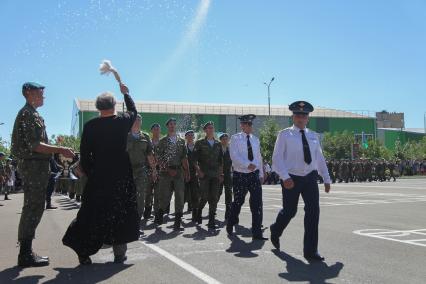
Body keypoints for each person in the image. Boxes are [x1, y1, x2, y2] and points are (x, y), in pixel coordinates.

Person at [62, 83, 139, 265]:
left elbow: (85, 154)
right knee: (121, 212)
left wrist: (92, 173)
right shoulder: (122, 122)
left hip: (98, 179)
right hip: (121, 177)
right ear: (113, 105)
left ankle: (83, 251)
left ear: (98, 107)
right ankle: (119, 254)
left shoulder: (90, 126)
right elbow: (133, 111)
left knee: (92, 213)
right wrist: (126, 93)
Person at [11, 82, 75, 267]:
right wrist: (61, 149)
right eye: (40, 92)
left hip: (37, 167)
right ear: (29, 93)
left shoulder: (32, 114)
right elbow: (35, 145)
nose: (43, 96)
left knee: (34, 208)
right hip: (33, 167)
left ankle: (26, 251)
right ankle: (25, 254)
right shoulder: (28, 114)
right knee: (32, 208)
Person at [270, 101, 331, 262]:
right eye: (297, 115)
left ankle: (311, 251)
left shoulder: (313, 136)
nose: (300, 118)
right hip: (291, 177)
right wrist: (285, 177)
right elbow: (276, 158)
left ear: (308, 118)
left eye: (304, 116)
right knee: (290, 211)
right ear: (293, 117)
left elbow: (319, 158)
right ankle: (275, 229)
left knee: (313, 212)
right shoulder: (284, 134)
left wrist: (326, 178)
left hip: (310, 177)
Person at [226, 114, 267, 240]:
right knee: (238, 201)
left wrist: (260, 173)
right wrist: (246, 164)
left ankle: (257, 232)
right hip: (240, 175)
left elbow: (258, 157)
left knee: (257, 203)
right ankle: (231, 222)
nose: (250, 126)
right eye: (247, 124)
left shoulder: (255, 139)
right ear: (242, 125)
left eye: (251, 124)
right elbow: (233, 156)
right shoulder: (235, 138)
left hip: (253, 175)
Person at [156, 118, 190, 230]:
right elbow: (158, 158)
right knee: (165, 196)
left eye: (174, 124)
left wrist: (187, 172)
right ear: (167, 126)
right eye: (170, 124)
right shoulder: (162, 141)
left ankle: (177, 222)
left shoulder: (181, 142)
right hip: (166, 173)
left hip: (179, 172)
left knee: (180, 196)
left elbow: (184, 158)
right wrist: (167, 169)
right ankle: (160, 214)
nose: (172, 126)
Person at [127, 115, 157, 230]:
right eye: (135, 119)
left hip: (141, 170)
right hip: (127, 170)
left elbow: (149, 155)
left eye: (139, 119)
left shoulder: (145, 137)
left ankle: (137, 221)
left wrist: (154, 170)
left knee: (140, 196)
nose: (137, 121)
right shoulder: (124, 135)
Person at [193, 122, 223, 229]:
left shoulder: (218, 144)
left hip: (215, 175)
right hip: (204, 174)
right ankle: (199, 211)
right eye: (209, 128)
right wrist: (198, 171)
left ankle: (211, 220)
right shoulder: (200, 143)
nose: (211, 130)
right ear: (205, 130)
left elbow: (220, 161)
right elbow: (194, 160)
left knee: (214, 197)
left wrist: (221, 174)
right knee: (204, 197)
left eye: (212, 128)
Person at [184, 130, 200, 222]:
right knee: (184, 192)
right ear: (186, 137)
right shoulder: (183, 147)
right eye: (188, 135)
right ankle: (180, 212)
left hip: (195, 173)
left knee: (195, 193)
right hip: (185, 172)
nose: (190, 137)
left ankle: (195, 213)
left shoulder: (197, 147)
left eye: (192, 135)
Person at [147, 123, 161, 220]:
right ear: (151, 131)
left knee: (158, 192)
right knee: (148, 192)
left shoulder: (163, 142)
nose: (156, 131)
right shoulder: (148, 143)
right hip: (148, 170)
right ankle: (147, 212)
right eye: (154, 129)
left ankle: (156, 212)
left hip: (160, 170)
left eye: (158, 129)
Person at [218, 133, 233, 220]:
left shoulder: (230, 149)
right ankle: (213, 210)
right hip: (219, 174)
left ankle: (228, 213)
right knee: (218, 193)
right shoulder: (217, 148)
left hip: (228, 174)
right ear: (221, 140)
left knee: (228, 193)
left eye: (226, 139)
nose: (225, 140)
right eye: (223, 139)